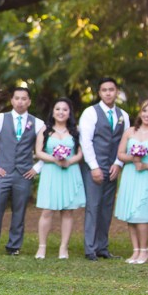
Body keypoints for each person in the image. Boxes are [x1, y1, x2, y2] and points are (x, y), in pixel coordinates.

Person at [0, 86, 44, 256]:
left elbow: (46, 148)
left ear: (29, 101)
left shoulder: (38, 123)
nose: (20, 101)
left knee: (19, 210)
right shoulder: (0, 119)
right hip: (3, 172)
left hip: (24, 173)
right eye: (17, 98)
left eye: (24, 98)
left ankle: (14, 246)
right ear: (12, 100)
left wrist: (36, 168)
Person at [78, 77, 130, 261]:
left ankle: (102, 247)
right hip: (95, 166)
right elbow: (86, 141)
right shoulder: (90, 113)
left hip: (112, 167)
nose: (108, 93)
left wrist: (118, 163)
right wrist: (94, 167)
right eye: (104, 90)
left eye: (111, 89)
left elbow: (125, 141)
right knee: (93, 206)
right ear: (99, 93)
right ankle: (90, 248)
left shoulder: (123, 115)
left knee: (107, 208)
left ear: (116, 92)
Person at [113, 100, 148, 264]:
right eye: (144, 111)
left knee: (141, 215)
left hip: (147, 176)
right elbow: (120, 154)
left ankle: (144, 250)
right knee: (131, 214)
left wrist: (146, 165)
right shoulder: (130, 132)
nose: (147, 115)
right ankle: (136, 250)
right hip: (131, 174)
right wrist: (133, 158)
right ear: (140, 112)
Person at [33, 98, 85, 259]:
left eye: (65, 109)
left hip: (70, 171)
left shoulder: (75, 130)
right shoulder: (45, 130)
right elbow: (39, 152)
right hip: (51, 171)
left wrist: (69, 161)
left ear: (70, 113)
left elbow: (81, 153)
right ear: (53, 112)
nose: (61, 112)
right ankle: (42, 247)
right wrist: (54, 159)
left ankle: (64, 248)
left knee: (67, 211)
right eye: (58, 109)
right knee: (47, 210)